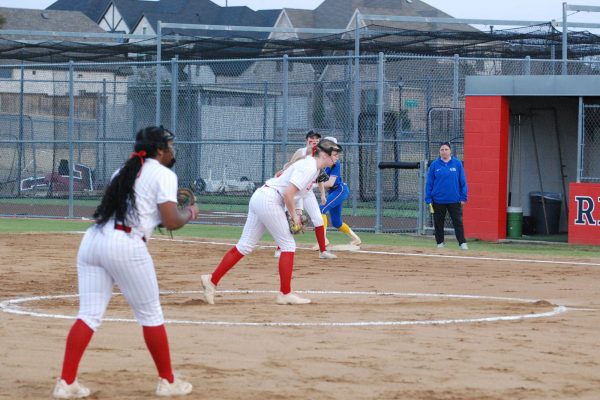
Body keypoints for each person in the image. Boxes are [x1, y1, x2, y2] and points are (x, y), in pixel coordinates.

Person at [52, 126, 197, 399]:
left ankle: (66, 382)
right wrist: (189, 212)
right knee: (151, 315)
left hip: (93, 240)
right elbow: (170, 221)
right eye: (170, 145)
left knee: (88, 315)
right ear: (158, 150)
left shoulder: (123, 170)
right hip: (125, 245)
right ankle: (168, 381)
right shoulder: (164, 174)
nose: (172, 150)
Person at [200, 138, 342, 306]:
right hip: (270, 199)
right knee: (288, 245)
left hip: (263, 197)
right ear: (324, 154)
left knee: (245, 245)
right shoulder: (309, 167)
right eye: (334, 154)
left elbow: (294, 193)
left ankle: (212, 280)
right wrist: (294, 216)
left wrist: (296, 211)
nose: (336, 158)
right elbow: (288, 194)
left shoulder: (314, 168)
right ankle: (285, 293)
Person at [274, 130, 336, 260]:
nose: (314, 141)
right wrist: (284, 171)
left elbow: (319, 178)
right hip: (295, 190)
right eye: (311, 139)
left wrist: (323, 194)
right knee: (290, 218)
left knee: (318, 219)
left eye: (316, 139)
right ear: (306, 140)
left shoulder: (321, 154)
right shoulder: (301, 152)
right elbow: (290, 165)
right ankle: (280, 248)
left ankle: (322, 251)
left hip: (307, 192)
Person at [317, 136, 362, 247]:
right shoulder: (322, 161)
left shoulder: (335, 162)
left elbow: (331, 183)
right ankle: (356, 239)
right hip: (333, 192)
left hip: (340, 190)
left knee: (321, 209)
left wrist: (313, 184)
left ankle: (323, 241)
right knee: (336, 222)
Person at [425, 141, 468, 250]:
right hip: (438, 200)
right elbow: (429, 183)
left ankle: (462, 243)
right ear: (439, 152)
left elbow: (462, 182)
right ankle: (440, 243)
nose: (444, 152)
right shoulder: (434, 165)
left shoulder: (457, 163)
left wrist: (463, 197)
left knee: (457, 222)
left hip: (454, 200)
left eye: (446, 149)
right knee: (438, 223)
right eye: (442, 150)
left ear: (450, 151)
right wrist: (428, 198)